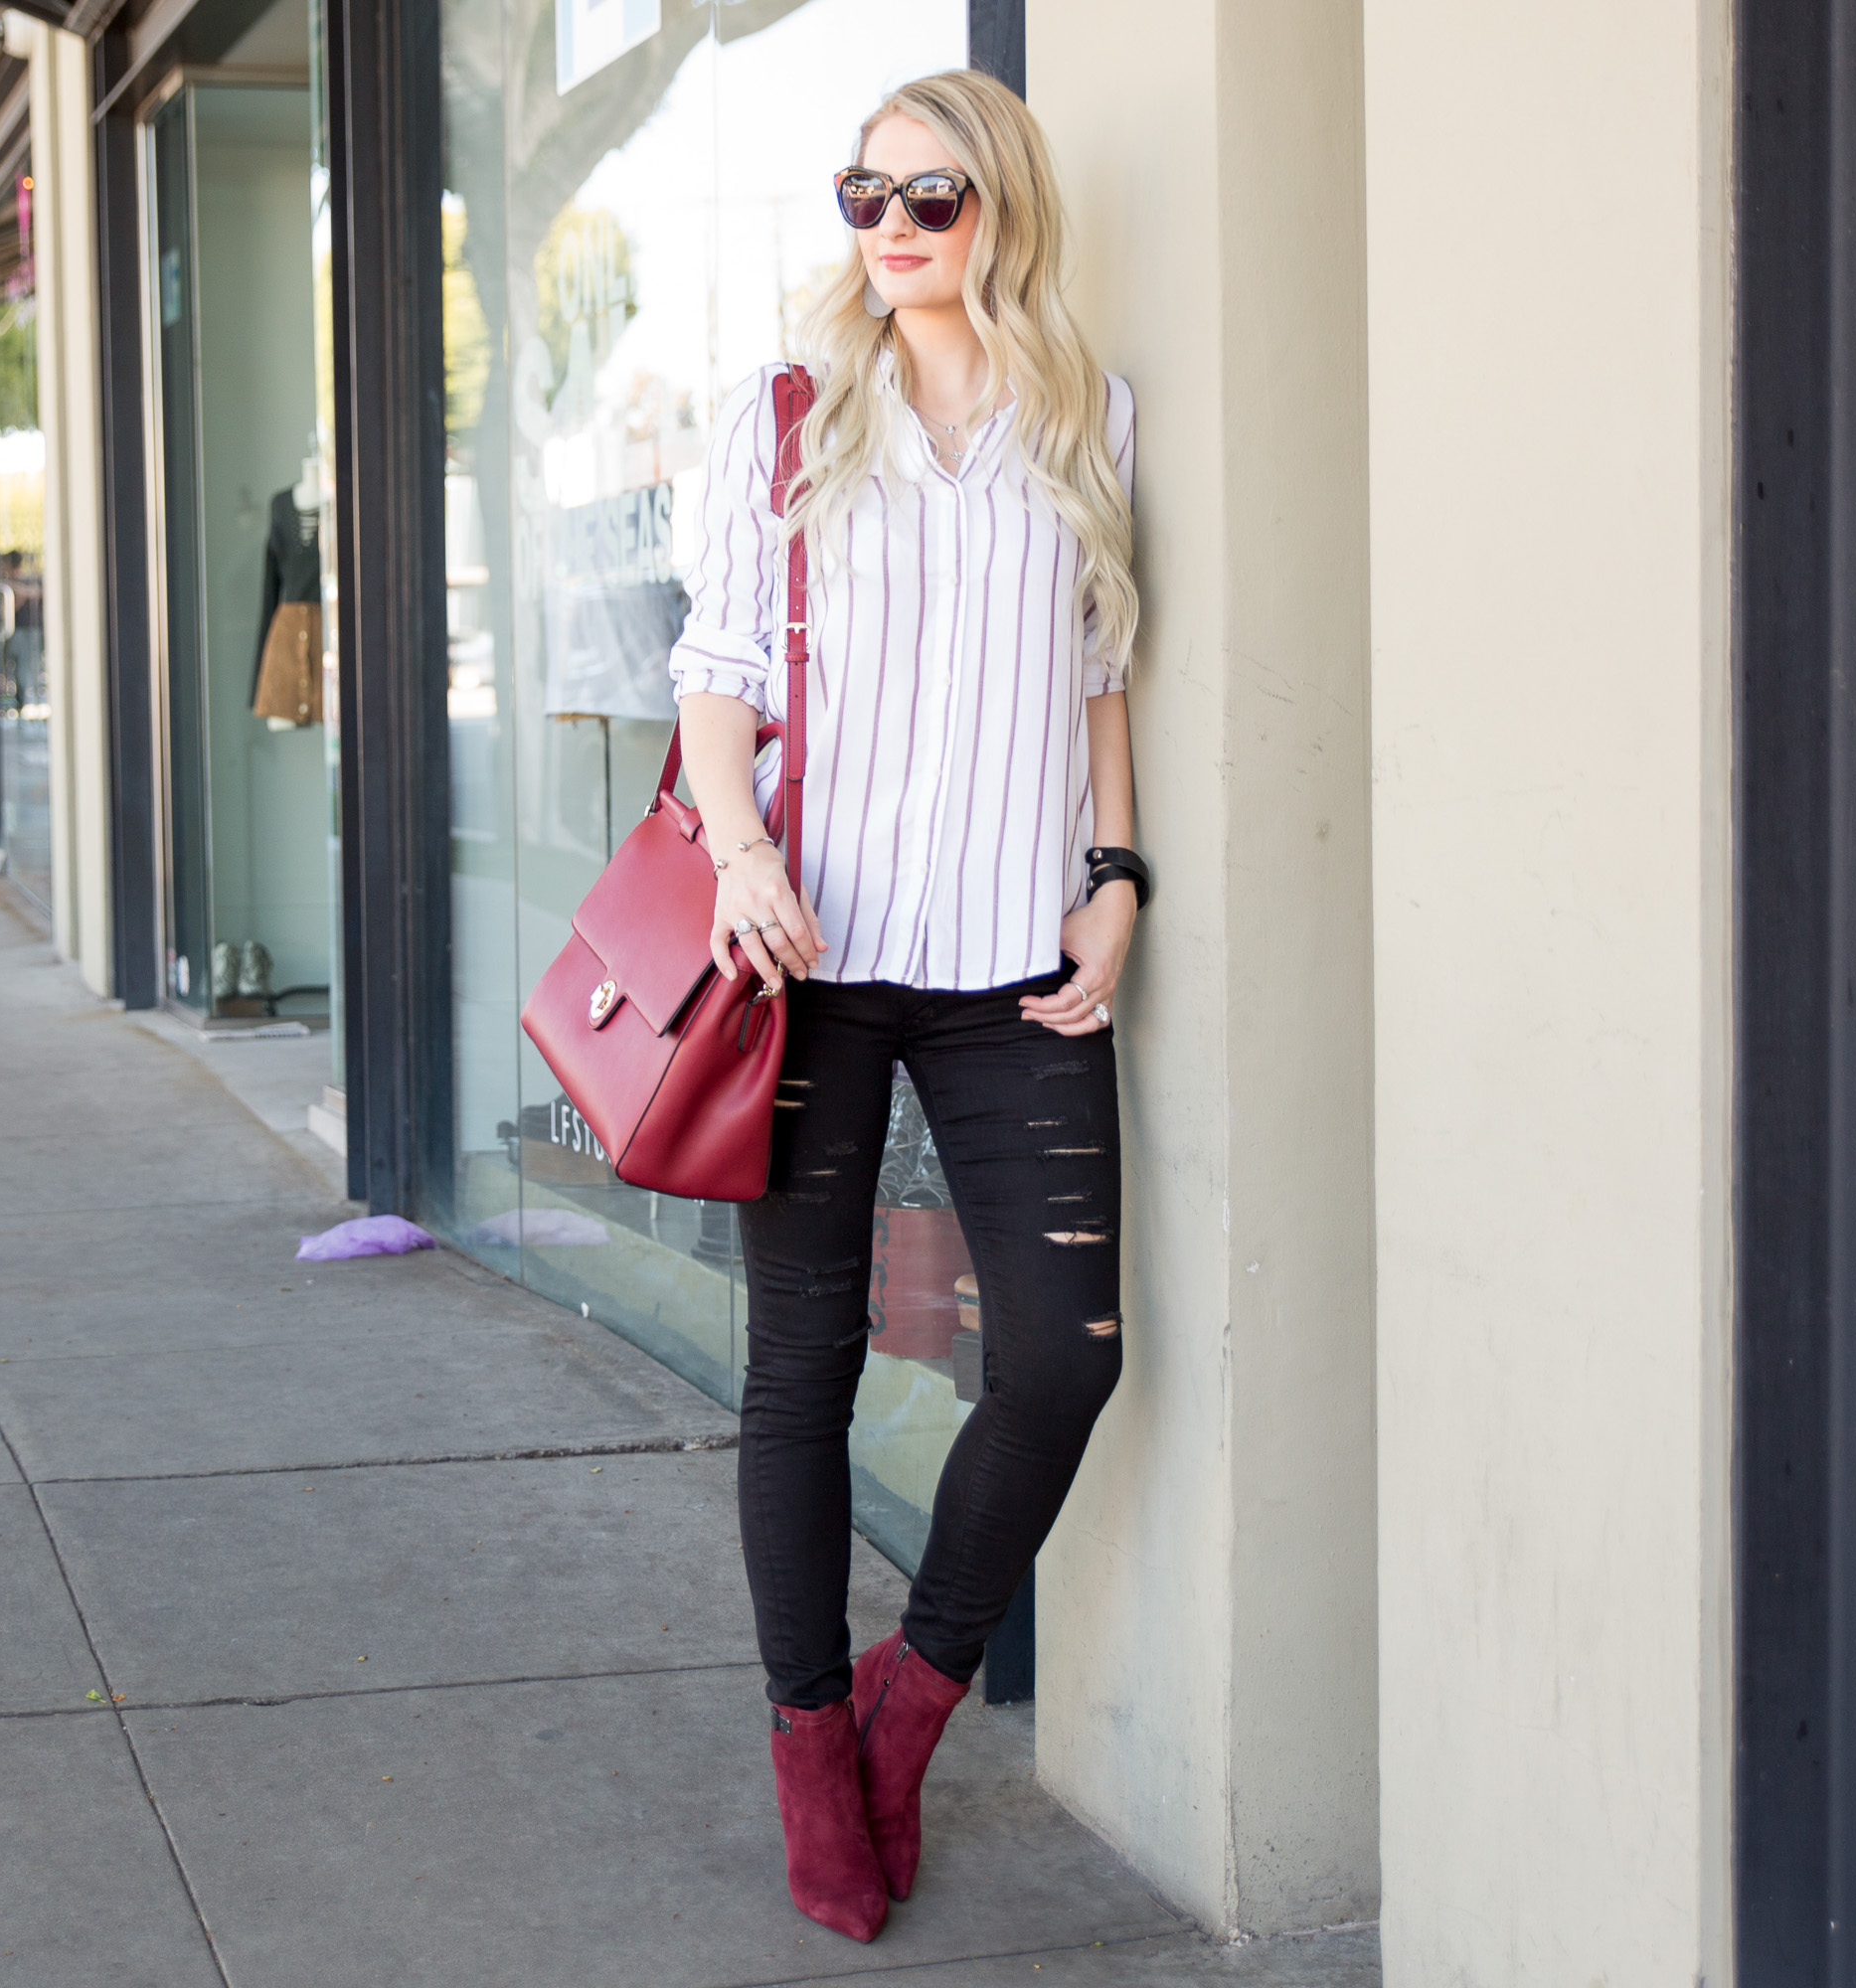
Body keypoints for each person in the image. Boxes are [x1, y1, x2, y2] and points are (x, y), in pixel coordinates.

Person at [668, 68, 1145, 1943]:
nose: (889, 229)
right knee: (804, 1375)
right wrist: (736, 852)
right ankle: (809, 1748)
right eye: (863, 196)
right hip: (813, 969)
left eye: (926, 197)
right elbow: (716, 672)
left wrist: (1118, 884)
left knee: (1064, 1358)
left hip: (1013, 974)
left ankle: (908, 1707)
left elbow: (1103, 676)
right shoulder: (784, 417)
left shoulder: (1089, 417)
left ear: (998, 207)